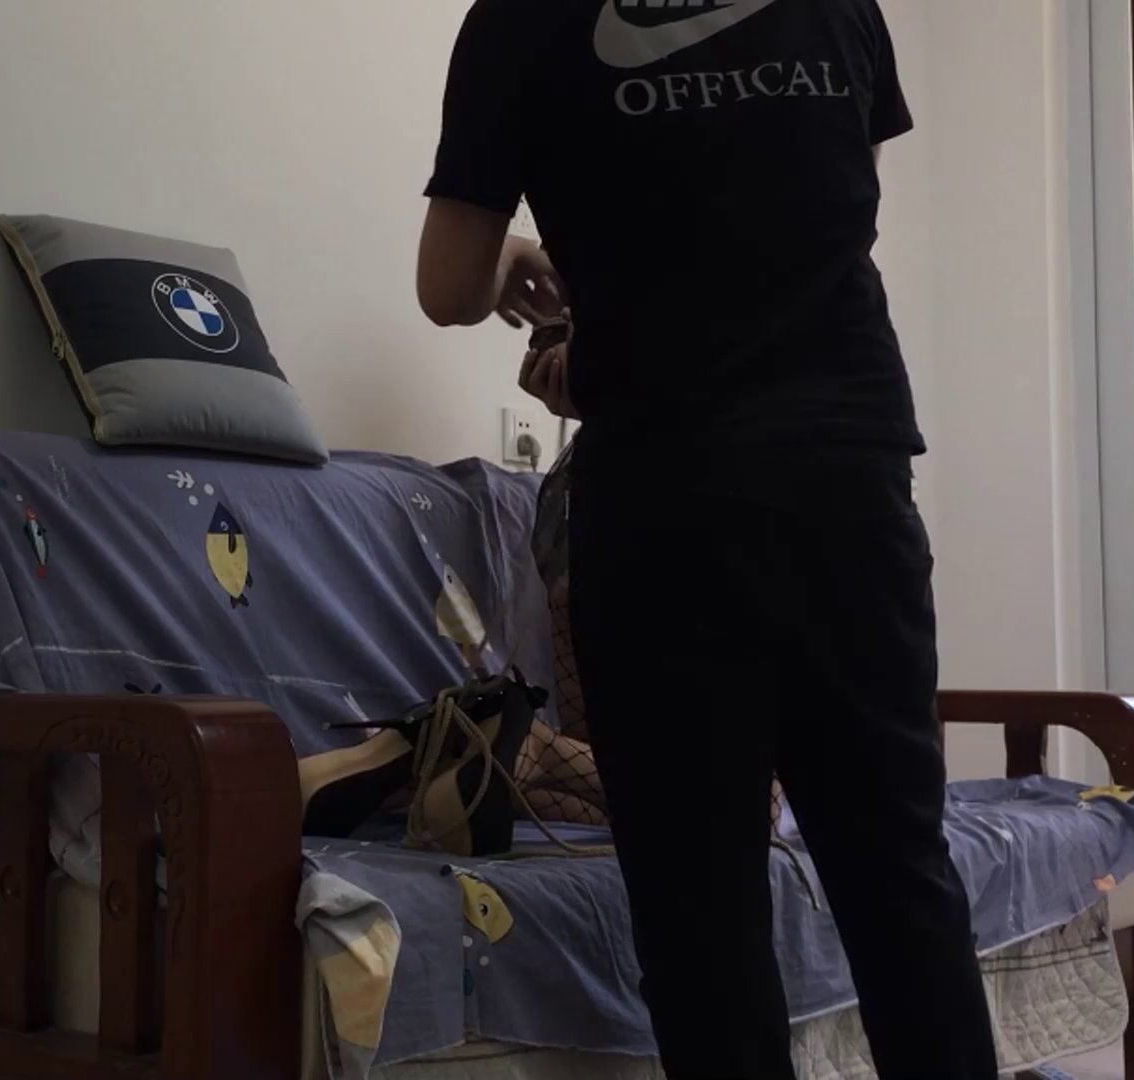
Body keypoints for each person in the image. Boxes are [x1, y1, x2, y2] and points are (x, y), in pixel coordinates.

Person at [414, 2, 998, 1078]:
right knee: (897, 873)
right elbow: (814, 231)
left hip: (666, 503)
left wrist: (524, 269)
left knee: (699, 909)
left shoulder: (517, 21)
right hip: (846, 475)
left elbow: (449, 288)